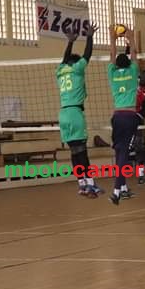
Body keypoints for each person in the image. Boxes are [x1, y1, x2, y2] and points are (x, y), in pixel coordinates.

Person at [57, 22, 103, 198]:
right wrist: (89, 36)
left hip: (63, 115)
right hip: (76, 114)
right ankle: (91, 185)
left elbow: (64, 59)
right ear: (76, 64)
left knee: (74, 152)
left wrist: (70, 42)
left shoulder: (61, 71)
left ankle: (81, 185)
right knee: (82, 151)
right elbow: (87, 55)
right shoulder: (77, 69)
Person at [107, 26, 141, 205]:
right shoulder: (133, 70)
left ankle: (119, 190)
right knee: (123, 155)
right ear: (127, 64)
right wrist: (131, 37)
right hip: (130, 116)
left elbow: (111, 56)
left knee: (120, 151)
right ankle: (116, 189)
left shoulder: (112, 73)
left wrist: (112, 38)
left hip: (117, 117)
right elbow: (134, 53)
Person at [133, 69, 145, 185]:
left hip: (138, 119)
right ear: (139, 76)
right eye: (144, 76)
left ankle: (141, 175)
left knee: (140, 148)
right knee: (122, 146)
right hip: (126, 116)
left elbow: (144, 109)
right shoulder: (132, 83)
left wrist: (139, 117)